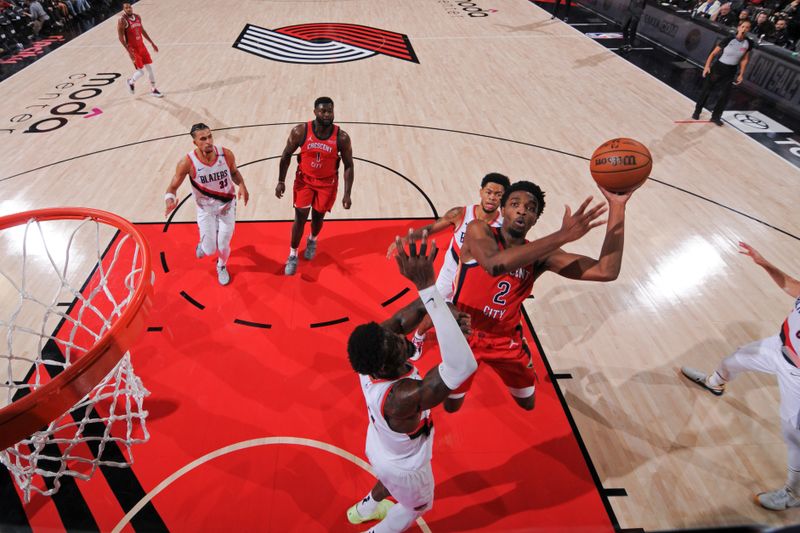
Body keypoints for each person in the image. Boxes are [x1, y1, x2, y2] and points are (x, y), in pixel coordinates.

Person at [445, 181, 637, 414]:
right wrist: (562, 236)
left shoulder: (541, 254)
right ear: (503, 210)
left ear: (535, 219)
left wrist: (617, 207)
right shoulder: (478, 229)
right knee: (452, 405)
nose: (522, 210)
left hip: (507, 341)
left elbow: (606, 271)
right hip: (464, 335)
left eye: (531, 208)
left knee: (528, 402)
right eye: (515, 204)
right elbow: (495, 265)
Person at [345, 231, 477, 533]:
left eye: (393, 334)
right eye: (395, 343)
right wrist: (428, 286)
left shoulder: (374, 352)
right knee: (417, 507)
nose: (400, 339)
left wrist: (447, 310)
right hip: (404, 465)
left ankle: (367, 507)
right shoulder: (401, 396)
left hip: (380, 446)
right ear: (382, 366)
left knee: (388, 481)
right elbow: (462, 367)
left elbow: (415, 312)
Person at [681, 242, 800, 511]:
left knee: (793, 434)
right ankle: (714, 384)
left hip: (797, 375)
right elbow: (793, 285)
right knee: (732, 361)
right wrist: (765, 263)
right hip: (776, 347)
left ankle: (794, 493)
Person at [385, 173, 510, 358]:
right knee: (433, 307)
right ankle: (418, 337)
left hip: (475, 278)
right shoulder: (460, 213)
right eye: (489, 192)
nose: (492, 197)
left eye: (498, 194)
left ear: (503, 198)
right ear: (481, 192)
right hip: (450, 272)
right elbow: (432, 228)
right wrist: (406, 239)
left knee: (465, 317)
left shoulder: (504, 226)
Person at [275, 96, 354, 276]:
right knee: (300, 217)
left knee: (318, 217)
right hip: (304, 181)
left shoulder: (341, 138)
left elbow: (349, 165)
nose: (327, 114)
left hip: (328, 183)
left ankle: (312, 239)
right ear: (315, 112)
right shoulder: (300, 131)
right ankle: (293, 254)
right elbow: (286, 155)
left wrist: (347, 193)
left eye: (330, 111)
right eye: (323, 111)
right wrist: (281, 181)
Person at [164, 123, 249, 286]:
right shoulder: (187, 162)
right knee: (209, 249)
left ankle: (221, 266)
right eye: (203, 138)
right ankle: (204, 244)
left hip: (227, 206)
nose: (208, 141)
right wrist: (169, 200)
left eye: (210, 136)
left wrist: (242, 185)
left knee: (223, 244)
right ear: (195, 142)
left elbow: (234, 173)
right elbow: (172, 187)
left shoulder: (226, 154)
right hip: (206, 210)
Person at [692, 20, 753, 126]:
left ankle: (716, 117)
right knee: (707, 90)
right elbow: (713, 53)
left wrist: (741, 74)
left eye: (747, 27)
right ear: (738, 27)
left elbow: (744, 59)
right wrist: (707, 66)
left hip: (731, 70)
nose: (744, 29)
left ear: (749, 30)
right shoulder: (729, 39)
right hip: (719, 68)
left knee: (724, 95)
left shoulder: (748, 43)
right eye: (743, 26)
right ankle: (697, 111)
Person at [117, 2, 163, 98]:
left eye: (130, 7)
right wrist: (129, 51)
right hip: (133, 49)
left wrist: (152, 43)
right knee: (141, 72)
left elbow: (142, 30)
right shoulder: (122, 20)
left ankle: (153, 89)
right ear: (123, 9)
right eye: (126, 8)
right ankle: (131, 82)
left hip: (142, 46)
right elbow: (121, 38)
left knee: (150, 69)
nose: (129, 9)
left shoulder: (137, 17)